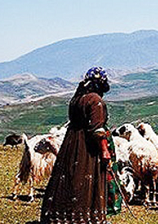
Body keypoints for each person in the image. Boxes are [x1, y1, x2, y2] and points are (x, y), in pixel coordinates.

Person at [41, 67, 119, 223]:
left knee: (70, 177)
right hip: (88, 147)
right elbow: (97, 129)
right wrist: (104, 150)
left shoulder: (76, 99)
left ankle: (62, 216)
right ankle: (87, 217)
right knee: (87, 179)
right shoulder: (95, 100)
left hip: (71, 143)